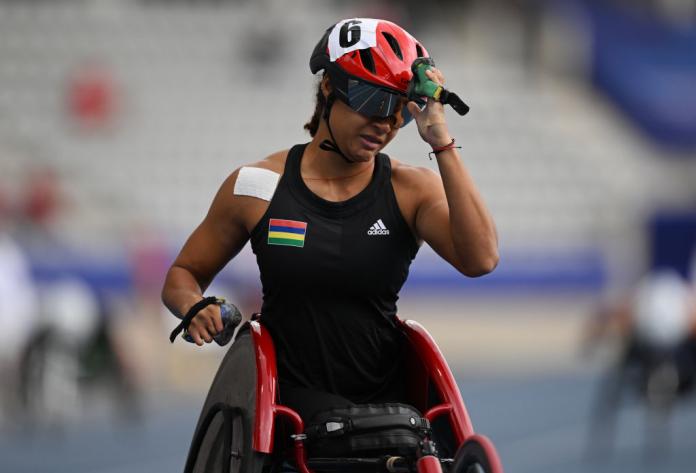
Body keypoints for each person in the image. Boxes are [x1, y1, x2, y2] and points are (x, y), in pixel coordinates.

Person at [162, 18, 498, 423]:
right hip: (286, 416)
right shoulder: (256, 186)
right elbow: (182, 274)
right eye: (375, 103)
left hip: (388, 418)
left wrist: (440, 138)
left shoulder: (413, 190)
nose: (386, 124)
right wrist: (195, 305)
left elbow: (480, 259)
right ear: (328, 87)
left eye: (399, 113)